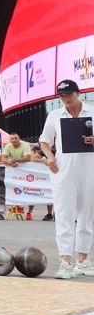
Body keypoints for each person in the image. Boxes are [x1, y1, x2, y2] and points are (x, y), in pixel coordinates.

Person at [39, 79, 94, 279]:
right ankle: (65, 261)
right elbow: (44, 141)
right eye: (62, 96)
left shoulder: (92, 112)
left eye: (69, 95)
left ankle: (83, 260)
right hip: (63, 169)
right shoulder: (55, 115)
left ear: (77, 93)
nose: (66, 99)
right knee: (64, 215)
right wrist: (50, 157)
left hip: (89, 169)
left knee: (87, 216)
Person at [28, 144, 55, 221]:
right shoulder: (47, 150)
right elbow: (33, 158)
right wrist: (44, 160)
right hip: (51, 174)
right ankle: (50, 213)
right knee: (49, 192)